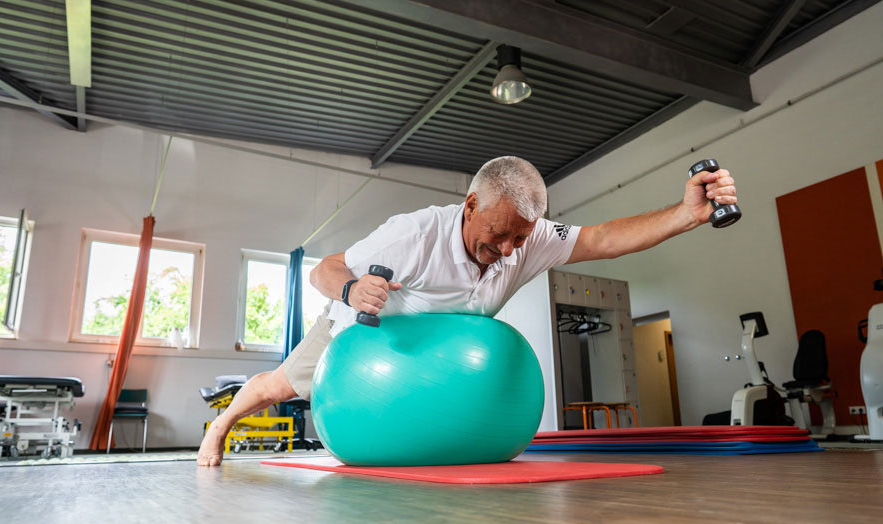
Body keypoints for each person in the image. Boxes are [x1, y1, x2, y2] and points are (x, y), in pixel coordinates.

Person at [198, 156, 737, 466]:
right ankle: (219, 426)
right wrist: (351, 290)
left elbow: (600, 238)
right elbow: (325, 268)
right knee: (278, 386)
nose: (508, 251)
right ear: (470, 206)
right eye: (498, 235)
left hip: (442, 357)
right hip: (370, 339)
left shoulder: (527, 239)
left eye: (519, 239)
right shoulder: (414, 234)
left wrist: (686, 215)